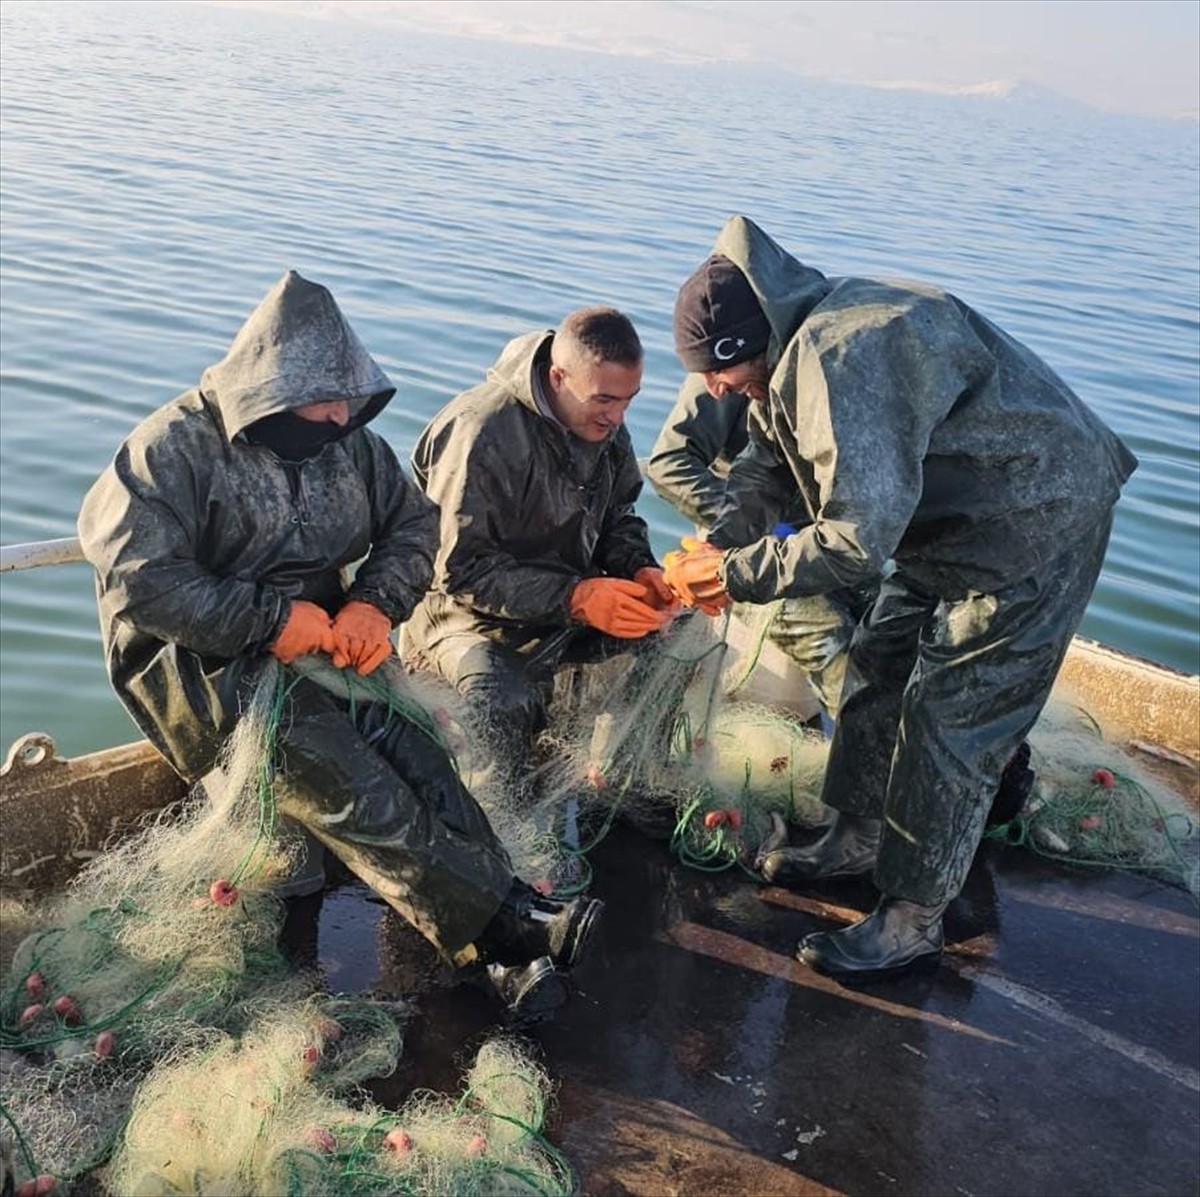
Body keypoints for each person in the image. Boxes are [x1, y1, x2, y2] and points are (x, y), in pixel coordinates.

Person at [77, 269, 603, 1021]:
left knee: (425, 756)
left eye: (347, 401)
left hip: (330, 642)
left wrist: (371, 605)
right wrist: (269, 620)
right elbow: (140, 585)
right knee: (360, 787)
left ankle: (499, 944)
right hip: (205, 669)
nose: (339, 415)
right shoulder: (169, 452)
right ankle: (510, 923)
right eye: (325, 401)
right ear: (269, 392)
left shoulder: (347, 444)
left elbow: (415, 527)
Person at [662, 216, 1136, 980]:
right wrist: (721, 542)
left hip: (1036, 521)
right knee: (877, 668)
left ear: (749, 345)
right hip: (946, 521)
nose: (712, 389)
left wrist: (739, 576)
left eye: (717, 372)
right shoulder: (784, 347)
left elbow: (856, 541)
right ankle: (857, 836)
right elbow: (768, 463)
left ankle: (913, 918)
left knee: (952, 723)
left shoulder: (840, 357)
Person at [400, 306, 676, 799]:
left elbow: (619, 518)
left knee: (674, 633)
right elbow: (457, 574)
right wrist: (577, 597)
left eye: (630, 400)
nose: (617, 416)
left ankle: (624, 782)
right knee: (501, 697)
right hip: (459, 621)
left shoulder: (608, 426)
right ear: (557, 377)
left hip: (562, 605)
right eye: (605, 399)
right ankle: (497, 823)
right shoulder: (481, 430)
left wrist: (641, 568)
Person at [646, 374, 876, 723]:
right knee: (828, 638)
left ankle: (851, 734)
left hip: (820, 545)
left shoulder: (838, 365)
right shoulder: (728, 367)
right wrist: (758, 529)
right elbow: (669, 466)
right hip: (739, 547)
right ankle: (865, 745)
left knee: (884, 619)